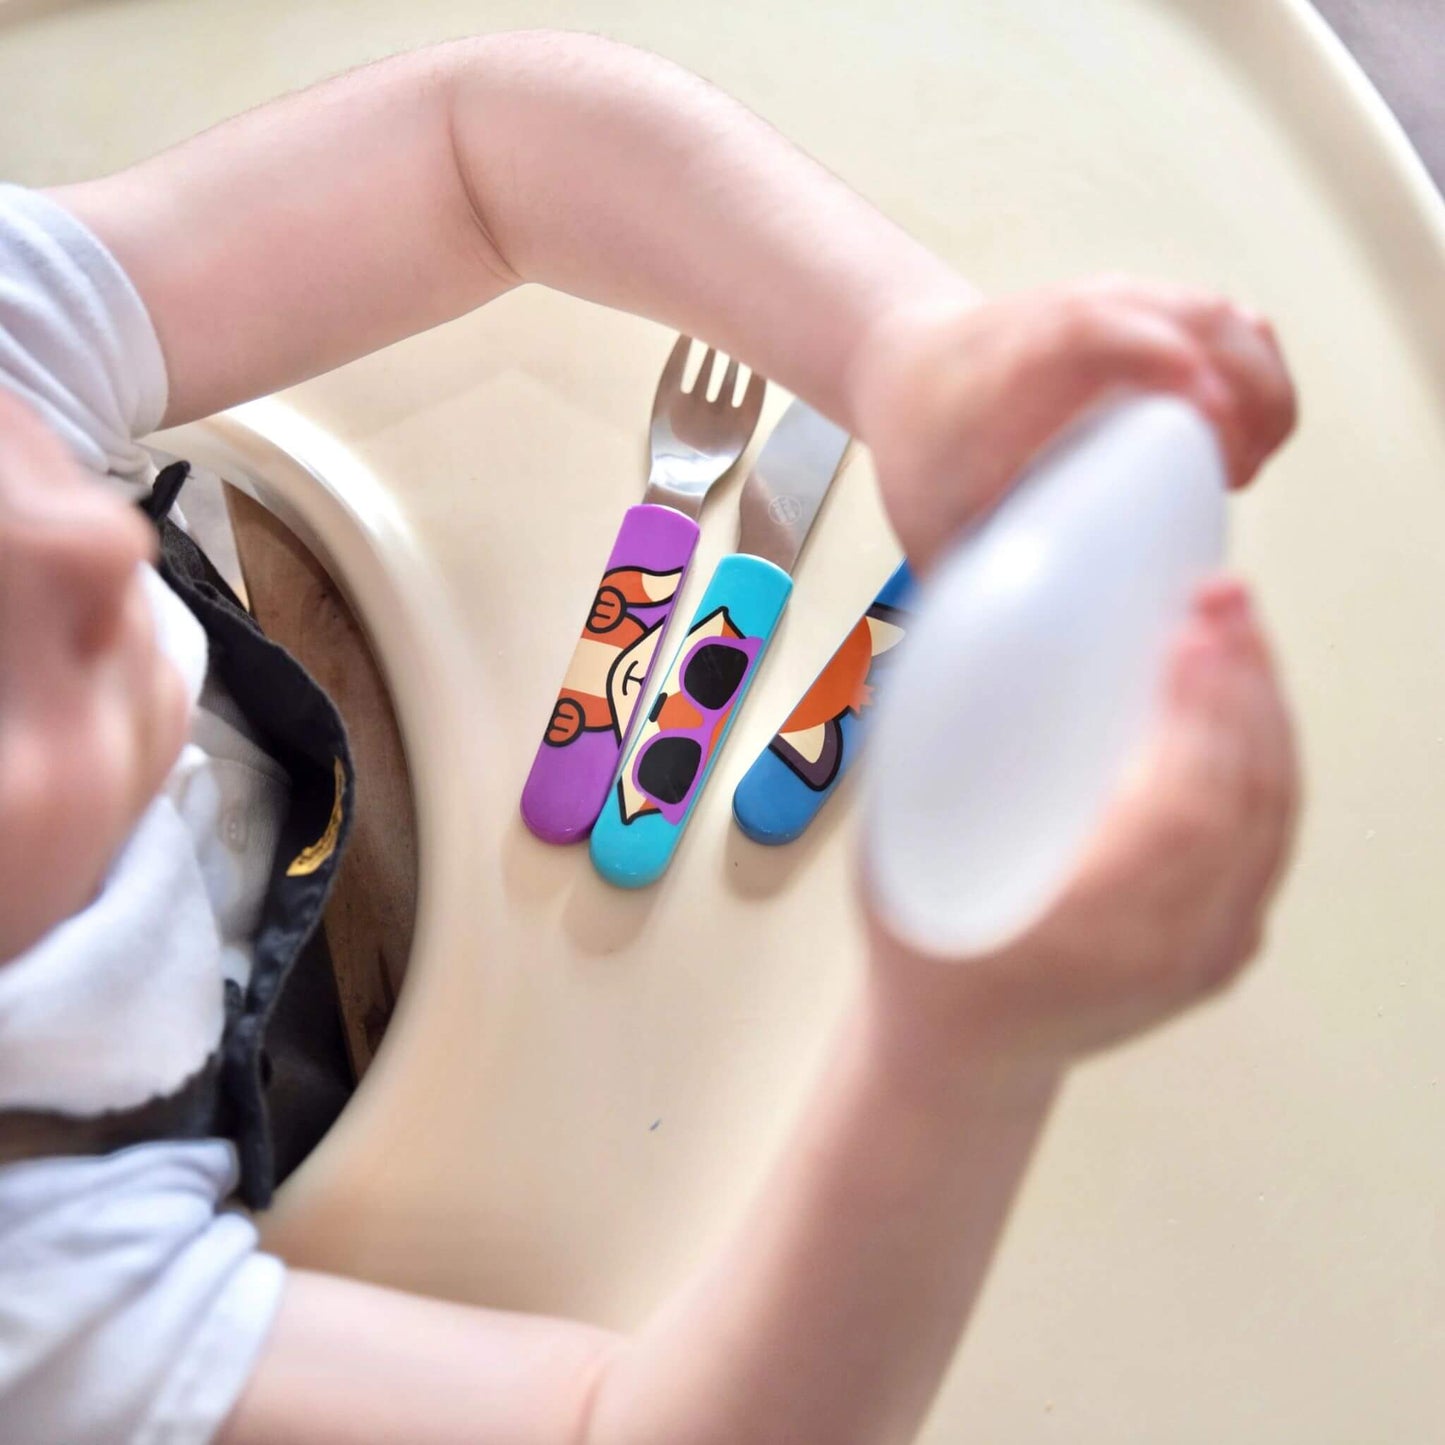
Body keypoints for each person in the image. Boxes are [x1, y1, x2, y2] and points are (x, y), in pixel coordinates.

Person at [0, 30, 1297, 1445]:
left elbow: (474, 157)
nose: (75, 543)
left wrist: (902, 348)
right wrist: (964, 1042)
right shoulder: (40, 1310)